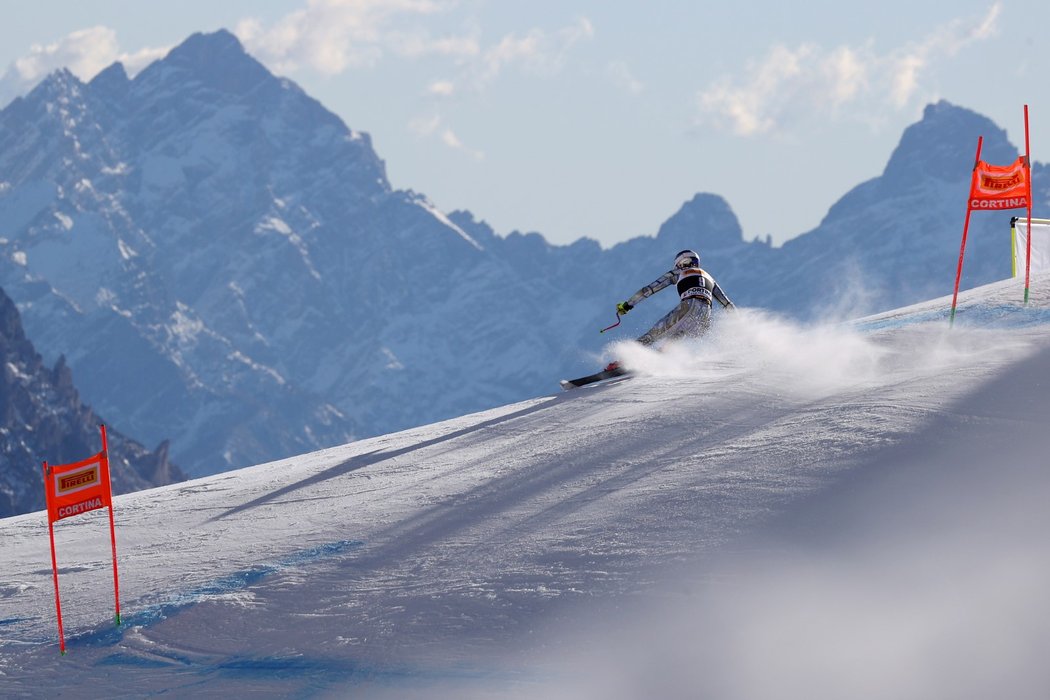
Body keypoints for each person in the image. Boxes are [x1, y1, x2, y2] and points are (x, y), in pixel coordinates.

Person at [615, 249, 735, 348]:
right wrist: (739, 323)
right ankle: (662, 357)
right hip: (706, 315)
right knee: (679, 335)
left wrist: (628, 305)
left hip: (689, 305)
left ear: (682, 262)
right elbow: (728, 305)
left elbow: (649, 289)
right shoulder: (709, 277)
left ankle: (627, 359)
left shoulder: (680, 272)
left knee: (655, 333)